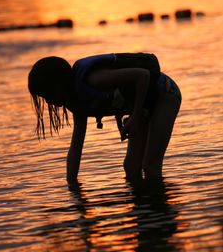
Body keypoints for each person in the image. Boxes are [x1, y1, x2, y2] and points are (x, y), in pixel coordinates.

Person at [28, 53, 181, 181]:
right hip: (143, 107)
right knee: (131, 167)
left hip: (165, 93)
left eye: (47, 94)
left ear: (58, 84)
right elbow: (75, 148)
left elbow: (142, 75)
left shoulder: (94, 79)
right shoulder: (77, 104)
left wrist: (134, 116)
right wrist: (72, 185)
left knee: (150, 166)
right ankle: (145, 213)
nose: (48, 101)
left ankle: (161, 215)